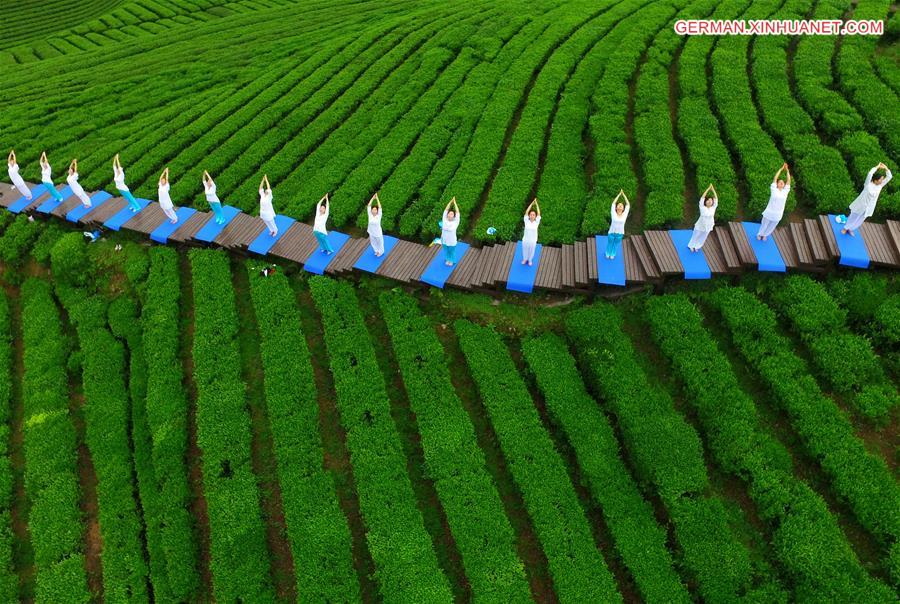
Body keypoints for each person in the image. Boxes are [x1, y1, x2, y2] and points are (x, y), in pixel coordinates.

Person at [842, 162, 893, 236]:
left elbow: (889, 177)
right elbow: (870, 174)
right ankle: (845, 228)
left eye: (882, 179)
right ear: (875, 180)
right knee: (853, 216)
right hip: (861, 205)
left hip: (869, 207)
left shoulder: (880, 186)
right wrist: (877, 167)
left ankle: (851, 229)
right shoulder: (868, 184)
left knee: (861, 219)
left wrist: (886, 168)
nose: (882, 181)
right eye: (881, 179)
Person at [757, 163, 791, 241]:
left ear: (784, 185)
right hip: (769, 211)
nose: (782, 183)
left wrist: (787, 171)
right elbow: (775, 178)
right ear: (777, 184)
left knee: (772, 226)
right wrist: (781, 169)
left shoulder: (785, 191)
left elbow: (788, 181)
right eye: (780, 182)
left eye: (783, 182)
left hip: (778, 213)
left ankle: (765, 235)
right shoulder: (774, 189)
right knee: (764, 224)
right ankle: (760, 234)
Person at [688, 184, 718, 252]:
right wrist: (708, 189)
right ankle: (691, 246)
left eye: (711, 200)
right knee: (696, 235)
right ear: (705, 202)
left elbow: (716, 199)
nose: (710, 201)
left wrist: (713, 189)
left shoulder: (713, 208)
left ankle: (697, 246)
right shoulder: (702, 207)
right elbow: (702, 198)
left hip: (708, 225)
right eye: (708, 200)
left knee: (703, 237)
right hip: (700, 224)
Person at [606, 189, 629, 259]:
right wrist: (619, 194)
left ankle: (612, 254)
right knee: (610, 244)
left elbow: (628, 204)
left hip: (620, 233)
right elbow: (613, 203)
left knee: (615, 245)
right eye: (618, 205)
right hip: (611, 232)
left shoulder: (625, 215)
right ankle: (607, 253)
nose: (620, 206)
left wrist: (623, 194)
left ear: (623, 209)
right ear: (616, 208)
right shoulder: (613, 213)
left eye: (622, 205)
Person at [441, 197, 461, 266]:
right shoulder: (444, 219)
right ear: (447, 215)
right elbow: (446, 209)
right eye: (449, 213)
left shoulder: (456, 222)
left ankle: (451, 260)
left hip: (452, 241)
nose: (450, 214)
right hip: (444, 239)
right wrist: (450, 202)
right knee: (446, 250)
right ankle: (448, 259)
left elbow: (458, 212)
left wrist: (455, 203)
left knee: (451, 251)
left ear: (453, 216)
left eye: (452, 214)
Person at [521, 198, 541, 266]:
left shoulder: (536, 222)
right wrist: (532, 203)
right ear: (529, 216)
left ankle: (530, 260)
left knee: (532, 251)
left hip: (533, 240)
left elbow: (539, 213)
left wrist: (536, 204)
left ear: (535, 216)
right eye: (531, 214)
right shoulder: (526, 221)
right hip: (525, 239)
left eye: (533, 215)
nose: (532, 216)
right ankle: (525, 259)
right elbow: (527, 212)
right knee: (525, 250)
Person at [367, 193, 384, 257]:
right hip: (371, 231)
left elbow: (380, 207)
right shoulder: (370, 215)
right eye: (373, 209)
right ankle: (376, 251)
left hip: (378, 232)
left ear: (377, 211)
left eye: (375, 210)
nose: (374, 211)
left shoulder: (379, 216)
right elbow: (368, 205)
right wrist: (372, 198)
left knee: (380, 242)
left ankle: (381, 252)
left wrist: (377, 198)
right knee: (373, 243)